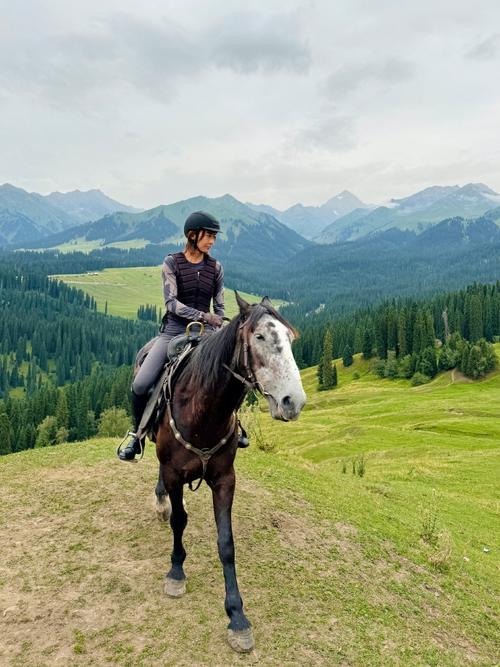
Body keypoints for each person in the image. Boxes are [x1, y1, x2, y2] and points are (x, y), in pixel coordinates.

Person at [118, 210, 226, 461]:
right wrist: (204, 316)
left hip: (207, 335)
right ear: (192, 235)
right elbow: (172, 304)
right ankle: (137, 436)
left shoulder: (216, 268)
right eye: (208, 235)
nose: (212, 241)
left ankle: (235, 428)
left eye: (214, 236)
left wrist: (217, 326)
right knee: (141, 384)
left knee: (232, 374)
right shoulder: (172, 263)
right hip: (174, 332)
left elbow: (219, 308)